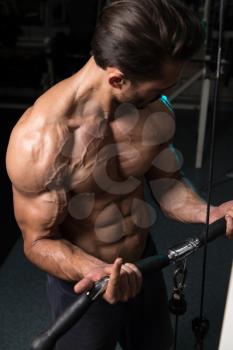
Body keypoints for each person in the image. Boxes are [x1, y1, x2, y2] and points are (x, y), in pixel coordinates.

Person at [6, 0, 233, 349]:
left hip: (146, 263)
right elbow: (37, 241)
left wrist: (212, 213)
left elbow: (168, 184)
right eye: (158, 89)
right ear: (117, 78)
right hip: (87, 285)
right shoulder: (40, 143)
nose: (165, 97)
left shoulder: (153, 108)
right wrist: (92, 270)